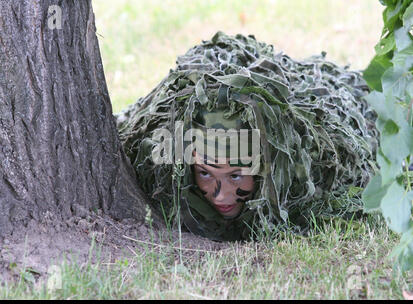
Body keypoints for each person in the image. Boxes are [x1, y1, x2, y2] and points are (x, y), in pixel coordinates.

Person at [116, 32, 378, 241]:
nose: (220, 196)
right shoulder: (159, 177)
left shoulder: (309, 175)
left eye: (236, 175)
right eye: (205, 173)